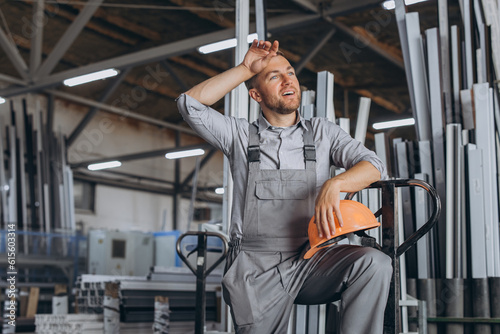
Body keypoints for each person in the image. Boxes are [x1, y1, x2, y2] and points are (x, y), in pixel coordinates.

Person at [177, 39, 392, 334]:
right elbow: (189, 104)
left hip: (312, 258)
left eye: (290, 73)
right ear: (256, 94)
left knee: (374, 263)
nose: (287, 81)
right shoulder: (238, 136)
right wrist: (245, 68)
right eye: (274, 76)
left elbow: (374, 165)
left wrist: (335, 183)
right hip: (255, 267)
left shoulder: (322, 133)